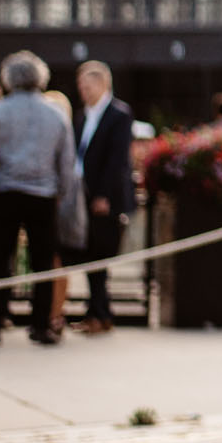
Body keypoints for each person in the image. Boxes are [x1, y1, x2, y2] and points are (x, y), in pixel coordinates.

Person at [0, 51, 78, 348]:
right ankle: (41, 325)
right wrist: (61, 191)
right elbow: (67, 160)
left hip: (5, 192)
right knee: (43, 262)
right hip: (44, 195)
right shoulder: (55, 114)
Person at [71, 61, 135, 335]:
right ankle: (97, 312)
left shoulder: (118, 114)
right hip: (82, 195)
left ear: (102, 84)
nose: (83, 92)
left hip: (103, 198)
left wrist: (103, 195)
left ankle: (100, 314)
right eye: (81, 87)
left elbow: (117, 160)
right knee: (89, 256)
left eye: (87, 86)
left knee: (100, 255)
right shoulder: (82, 116)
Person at [40, 89, 87, 337]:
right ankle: (48, 313)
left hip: (63, 208)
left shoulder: (68, 137)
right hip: (48, 206)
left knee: (58, 263)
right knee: (50, 262)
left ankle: (55, 313)